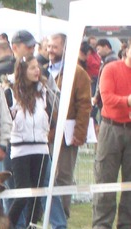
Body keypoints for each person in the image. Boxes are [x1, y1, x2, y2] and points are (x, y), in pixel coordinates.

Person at [6, 56, 53, 229]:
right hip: (20, 149)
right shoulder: (10, 93)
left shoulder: (43, 92)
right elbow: (5, 119)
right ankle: (7, 226)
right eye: (32, 68)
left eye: (37, 67)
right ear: (22, 70)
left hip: (41, 148)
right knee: (23, 191)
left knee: (37, 193)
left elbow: (50, 117)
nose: (37, 71)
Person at [46, 33, 92, 219]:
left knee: (63, 177)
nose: (50, 50)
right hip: (46, 134)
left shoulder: (78, 73)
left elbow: (84, 104)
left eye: (55, 47)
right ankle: (46, 214)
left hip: (67, 135)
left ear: (65, 49)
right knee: (46, 177)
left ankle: (62, 217)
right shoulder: (42, 71)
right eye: (49, 46)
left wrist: (79, 133)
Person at [91, 39, 131, 229]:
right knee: (105, 176)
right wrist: (128, 100)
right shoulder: (111, 69)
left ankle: (127, 225)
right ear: (127, 50)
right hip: (111, 127)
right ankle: (101, 225)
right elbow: (107, 98)